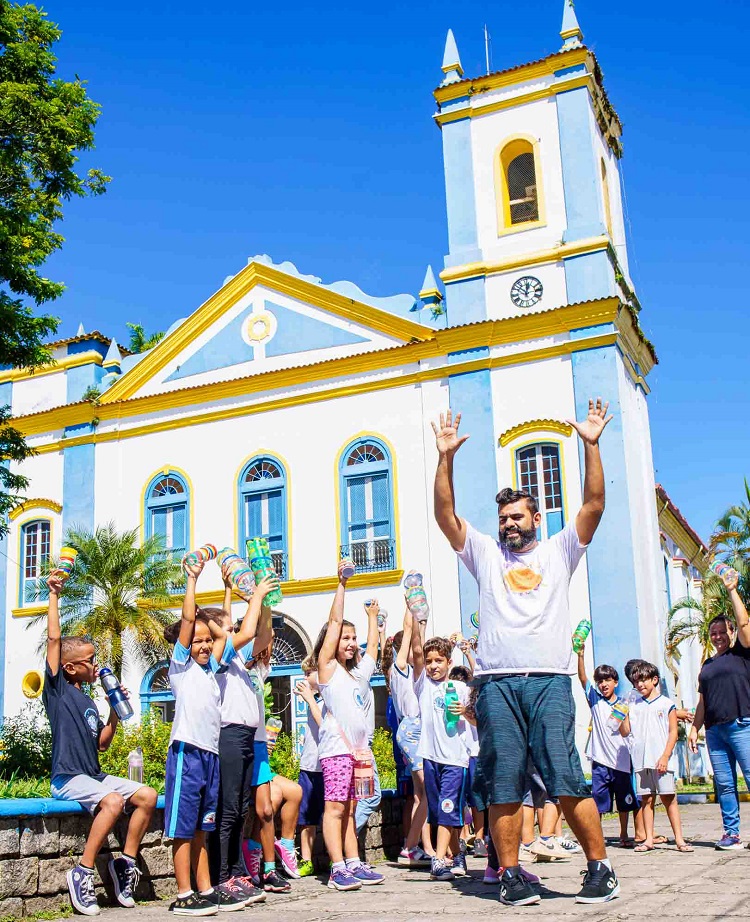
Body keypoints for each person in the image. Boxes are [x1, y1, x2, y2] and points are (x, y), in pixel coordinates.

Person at [432, 400, 619, 906]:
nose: (509, 524)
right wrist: (445, 458)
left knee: (565, 775)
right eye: (503, 518)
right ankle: (510, 875)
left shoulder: (560, 550)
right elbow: (445, 515)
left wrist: (592, 444)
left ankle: (600, 868)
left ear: (537, 517)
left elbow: (594, 507)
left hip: (549, 681)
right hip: (494, 684)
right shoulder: (485, 554)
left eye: (517, 516)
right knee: (503, 782)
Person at [44, 572, 158, 917]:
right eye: (90, 660)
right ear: (69, 668)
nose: (96, 665)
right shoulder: (58, 691)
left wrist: (113, 711)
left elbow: (103, 745)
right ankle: (82, 871)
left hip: (91, 774)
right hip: (67, 778)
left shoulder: (89, 700)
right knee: (111, 801)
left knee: (147, 795)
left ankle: (125, 863)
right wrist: (54, 596)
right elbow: (53, 639)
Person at [163, 558, 232, 915]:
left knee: (203, 827)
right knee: (184, 828)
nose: (205, 645)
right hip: (187, 754)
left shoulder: (211, 672)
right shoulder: (182, 669)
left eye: (208, 641)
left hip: (211, 757)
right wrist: (192, 579)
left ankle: (204, 890)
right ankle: (183, 892)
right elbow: (189, 621)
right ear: (184, 645)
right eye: (197, 641)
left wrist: (228, 590)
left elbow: (227, 632)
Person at [206, 573, 278, 904]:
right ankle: (223, 878)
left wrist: (233, 593)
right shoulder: (216, 655)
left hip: (247, 736)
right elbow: (247, 631)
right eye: (226, 625)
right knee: (229, 807)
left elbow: (261, 633)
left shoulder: (234, 658)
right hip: (229, 736)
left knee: (242, 808)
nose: (231, 628)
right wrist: (257, 595)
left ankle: (236, 873)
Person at [315, 562, 385, 890]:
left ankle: (354, 862)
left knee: (352, 806)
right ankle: (337, 867)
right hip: (337, 750)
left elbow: (373, 649)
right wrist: (341, 583)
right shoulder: (328, 669)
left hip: (358, 753)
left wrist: (372, 618)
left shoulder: (357, 675)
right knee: (335, 807)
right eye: (345, 637)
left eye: (352, 637)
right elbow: (332, 621)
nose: (351, 642)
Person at [688, 568, 750, 849]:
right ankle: (732, 834)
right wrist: (694, 728)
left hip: (742, 725)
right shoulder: (708, 665)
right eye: (712, 633)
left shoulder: (742, 653)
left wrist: (732, 590)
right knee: (724, 785)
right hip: (715, 732)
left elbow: (746, 623)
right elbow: (703, 700)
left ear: (731, 632)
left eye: (721, 632)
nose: (717, 637)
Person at [411, 630, 472, 882]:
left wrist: (465, 712)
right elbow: (415, 648)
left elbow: (478, 721)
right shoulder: (422, 686)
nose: (433, 666)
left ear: (449, 662)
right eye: (429, 661)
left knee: (447, 809)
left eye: (439, 661)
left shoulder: (460, 688)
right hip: (431, 757)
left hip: (455, 759)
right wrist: (417, 617)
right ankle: (457, 854)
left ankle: (438, 860)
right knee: (438, 812)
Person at [618, 662, 692, 853]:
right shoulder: (632, 704)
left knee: (669, 799)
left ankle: (679, 839)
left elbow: (673, 732)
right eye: (636, 681)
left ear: (654, 680)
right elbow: (625, 732)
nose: (640, 684)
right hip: (641, 760)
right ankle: (648, 839)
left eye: (643, 680)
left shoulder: (666, 704)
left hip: (661, 760)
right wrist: (621, 715)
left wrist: (665, 756)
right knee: (646, 801)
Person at [382, 610, 433, 867]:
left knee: (420, 794)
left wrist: (422, 620)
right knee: (426, 791)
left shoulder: (417, 674)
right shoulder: (399, 670)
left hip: (416, 730)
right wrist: (410, 608)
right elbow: (410, 642)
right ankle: (411, 846)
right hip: (411, 731)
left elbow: (419, 647)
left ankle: (420, 847)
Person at [241, 643, 292, 893]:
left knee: (266, 810)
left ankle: (269, 869)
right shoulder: (232, 669)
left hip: (259, 745)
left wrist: (265, 603)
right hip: (238, 742)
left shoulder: (259, 671)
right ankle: (241, 867)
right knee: (238, 811)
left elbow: (267, 636)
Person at [577, 649, 638, 847]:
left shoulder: (625, 704)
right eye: (600, 681)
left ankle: (623, 834)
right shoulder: (595, 701)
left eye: (607, 680)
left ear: (616, 682)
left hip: (621, 761)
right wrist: (580, 655)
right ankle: (597, 837)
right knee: (598, 802)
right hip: (600, 761)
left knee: (624, 802)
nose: (603, 685)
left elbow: (628, 730)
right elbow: (582, 678)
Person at [293, 663, 325, 877]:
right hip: (309, 764)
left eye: (309, 672)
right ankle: (306, 859)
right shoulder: (310, 699)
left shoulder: (329, 698)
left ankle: (337, 859)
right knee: (306, 818)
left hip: (328, 766)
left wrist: (311, 699)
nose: (305, 677)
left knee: (334, 815)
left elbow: (325, 725)